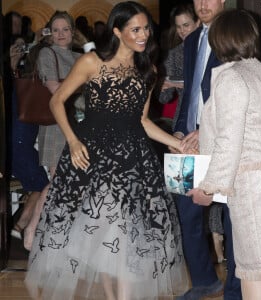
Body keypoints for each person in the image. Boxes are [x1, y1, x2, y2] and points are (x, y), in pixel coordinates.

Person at [25, 2, 189, 299]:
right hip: (94, 157)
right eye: (135, 30)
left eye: (146, 29)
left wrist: (177, 143)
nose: (143, 35)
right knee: (106, 235)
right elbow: (56, 101)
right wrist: (73, 141)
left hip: (132, 161)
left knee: (123, 236)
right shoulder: (91, 62)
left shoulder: (149, 69)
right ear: (117, 30)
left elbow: (141, 121)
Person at [187, 9, 261, 300]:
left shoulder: (232, 78)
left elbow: (229, 140)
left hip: (255, 189)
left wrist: (208, 187)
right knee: (253, 271)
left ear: (219, 39)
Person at [173, 0, 242, 299]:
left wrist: (207, 130)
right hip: (187, 140)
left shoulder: (233, 35)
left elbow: (235, 93)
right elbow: (189, 90)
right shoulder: (191, 41)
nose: (202, 4)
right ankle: (203, 280)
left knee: (232, 217)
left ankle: (235, 290)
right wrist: (178, 128)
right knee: (184, 214)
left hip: (222, 140)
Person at [23, 11, 86, 251]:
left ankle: (57, 236)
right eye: (56, 29)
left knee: (74, 183)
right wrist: (86, 95)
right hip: (56, 126)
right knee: (59, 181)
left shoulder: (82, 56)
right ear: (50, 32)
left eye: (65, 29)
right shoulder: (47, 54)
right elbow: (55, 90)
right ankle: (33, 230)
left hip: (81, 126)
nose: (61, 34)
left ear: (72, 32)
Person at [9, 35, 50, 240]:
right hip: (18, 148)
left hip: (18, 147)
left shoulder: (21, 81)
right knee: (44, 184)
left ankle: (20, 227)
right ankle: (22, 226)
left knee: (42, 182)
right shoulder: (24, 85)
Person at [158, 3, 199, 131]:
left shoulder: (212, 49)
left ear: (198, 23)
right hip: (183, 121)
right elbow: (165, 98)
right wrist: (162, 86)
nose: (182, 31)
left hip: (209, 119)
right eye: (178, 27)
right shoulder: (174, 54)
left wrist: (178, 84)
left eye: (186, 25)